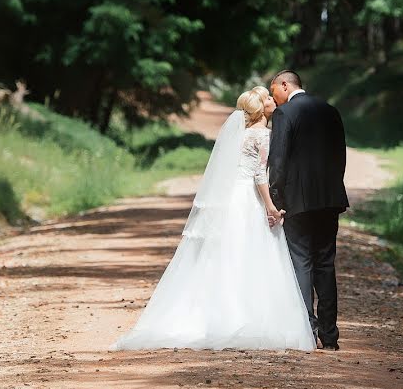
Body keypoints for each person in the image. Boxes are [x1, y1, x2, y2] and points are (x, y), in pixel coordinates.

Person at [110, 87, 315, 351]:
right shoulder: (263, 135)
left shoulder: (240, 135)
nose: (272, 101)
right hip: (250, 200)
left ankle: (216, 314)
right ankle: (247, 318)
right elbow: (260, 176)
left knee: (226, 255)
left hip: (233, 199)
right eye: (267, 98)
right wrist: (272, 207)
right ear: (260, 108)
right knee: (251, 255)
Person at [268, 70, 348, 350]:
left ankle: (307, 328)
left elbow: (277, 162)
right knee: (326, 264)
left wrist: (276, 200)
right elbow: (341, 154)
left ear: (285, 85)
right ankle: (330, 335)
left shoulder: (285, 114)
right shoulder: (330, 110)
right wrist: (334, 188)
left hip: (297, 202)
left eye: (273, 90)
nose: (272, 98)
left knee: (301, 262)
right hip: (329, 199)